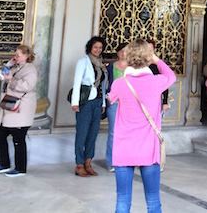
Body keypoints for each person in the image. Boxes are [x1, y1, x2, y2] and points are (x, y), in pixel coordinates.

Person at [108, 39, 176, 213]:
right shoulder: (157, 81)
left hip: (124, 147)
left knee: (122, 200)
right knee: (153, 200)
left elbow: (111, 98)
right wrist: (156, 59)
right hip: (148, 147)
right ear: (148, 57)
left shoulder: (120, 83)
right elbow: (171, 76)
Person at [0, 44, 38, 177]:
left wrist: (11, 80)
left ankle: (20, 168)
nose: (15, 57)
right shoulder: (15, 67)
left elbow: (27, 86)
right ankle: (3, 164)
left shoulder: (30, 70)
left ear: (26, 56)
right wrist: (8, 65)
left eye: (18, 55)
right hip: (8, 108)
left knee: (18, 139)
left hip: (20, 110)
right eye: (15, 55)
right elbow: (1, 76)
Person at [72, 36, 106, 177]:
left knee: (93, 134)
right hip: (85, 102)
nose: (98, 50)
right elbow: (77, 82)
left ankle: (88, 162)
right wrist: (75, 102)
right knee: (82, 133)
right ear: (90, 48)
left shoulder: (101, 63)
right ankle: (79, 164)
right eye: (95, 47)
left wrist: (103, 102)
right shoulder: (84, 61)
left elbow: (103, 85)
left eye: (100, 47)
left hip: (98, 102)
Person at [105, 42, 129, 173]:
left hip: (129, 104)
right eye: (121, 51)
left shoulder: (132, 67)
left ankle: (126, 159)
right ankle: (111, 161)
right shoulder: (110, 67)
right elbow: (106, 84)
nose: (123, 54)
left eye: (126, 51)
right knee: (113, 133)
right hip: (114, 103)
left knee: (127, 133)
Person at [147, 38, 170, 116]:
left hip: (155, 99)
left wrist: (165, 102)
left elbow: (165, 85)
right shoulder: (140, 65)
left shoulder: (158, 65)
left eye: (151, 49)